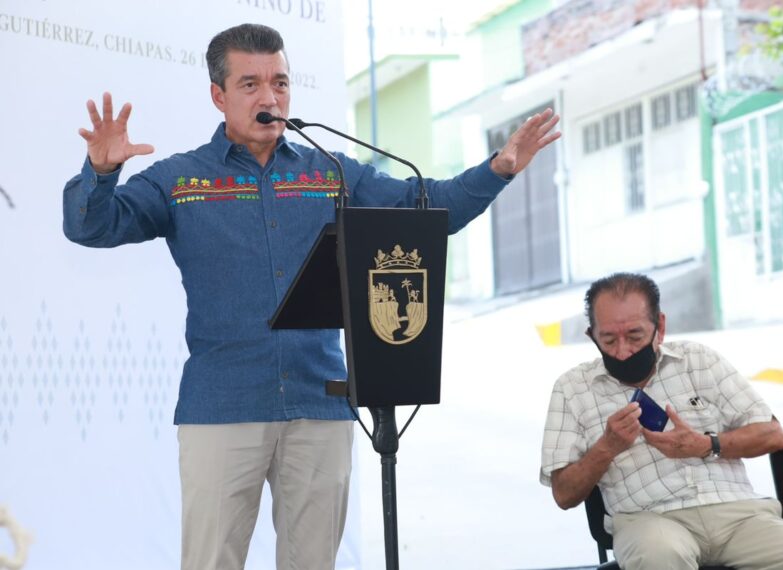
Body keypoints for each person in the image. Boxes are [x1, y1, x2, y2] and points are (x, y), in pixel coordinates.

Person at [62, 23, 559, 570]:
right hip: (224, 406)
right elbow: (93, 227)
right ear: (218, 95)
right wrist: (101, 172)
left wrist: (498, 169)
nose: (270, 97)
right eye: (250, 84)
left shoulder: (331, 172)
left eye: (280, 82)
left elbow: (426, 208)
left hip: (320, 402)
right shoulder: (180, 180)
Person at [540, 273, 783, 570]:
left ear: (661, 327)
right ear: (592, 335)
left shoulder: (698, 360)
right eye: (608, 340)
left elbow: (773, 435)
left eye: (634, 336)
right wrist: (608, 447)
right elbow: (564, 494)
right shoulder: (572, 389)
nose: (622, 351)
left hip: (738, 515)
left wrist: (707, 444)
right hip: (650, 520)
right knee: (661, 557)